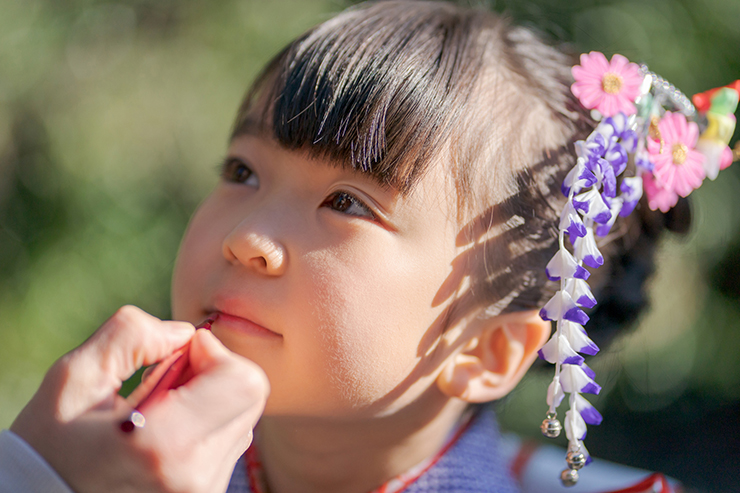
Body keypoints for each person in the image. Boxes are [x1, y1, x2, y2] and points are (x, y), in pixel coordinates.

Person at [0, 1, 722, 491]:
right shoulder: (90, 457)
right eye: (241, 171)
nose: (247, 238)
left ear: (486, 350)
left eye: (346, 202)